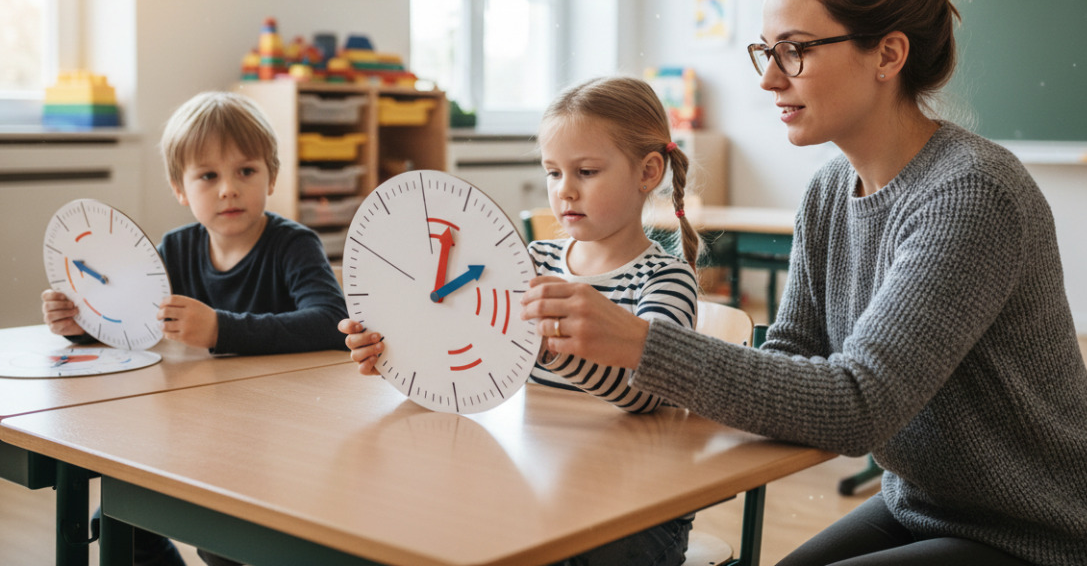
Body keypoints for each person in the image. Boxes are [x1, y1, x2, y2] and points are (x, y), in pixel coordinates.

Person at [520, 0, 1087, 566]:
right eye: (765, 52)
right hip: (924, 508)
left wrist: (638, 343)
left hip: (1047, 540)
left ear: (888, 55)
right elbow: (792, 357)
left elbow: (856, 407)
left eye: (794, 51)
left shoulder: (972, 196)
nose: (770, 80)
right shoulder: (828, 191)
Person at [340, 75, 702, 565]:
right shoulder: (533, 259)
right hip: (538, 480)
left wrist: (551, 351)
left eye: (587, 172)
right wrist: (398, 351)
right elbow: (470, 354)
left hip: (637, 511)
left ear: (648, 171)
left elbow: (647, 393)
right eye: (553, 173)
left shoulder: (665, 279)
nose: (565, 191)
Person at [42, 90, 348, 566]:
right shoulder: (177, 249)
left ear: (272, 177)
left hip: (282, 439)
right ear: (180, 189)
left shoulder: (294, 246)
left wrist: (221, 329)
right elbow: (134, 320)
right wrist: (78, 326)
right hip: (198, 435)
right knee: (122, 518)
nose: (228, 188)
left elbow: (331, 322)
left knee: (226, 547)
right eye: (208, 176)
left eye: (246, 171)